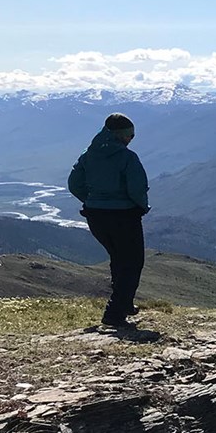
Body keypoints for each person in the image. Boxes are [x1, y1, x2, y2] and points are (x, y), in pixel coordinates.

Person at [67, 113, 149, 327]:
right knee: (132, 262)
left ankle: (126, 303)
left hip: (96, 217)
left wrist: (93, 200)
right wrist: (141, 206)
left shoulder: (89, 155)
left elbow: (74, 183)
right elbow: (137, 188)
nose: (131, 139)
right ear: (121, 135)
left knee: (119, 258)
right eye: (130, 135)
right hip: (124, 216)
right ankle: (115, 313)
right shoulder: (127, 157)